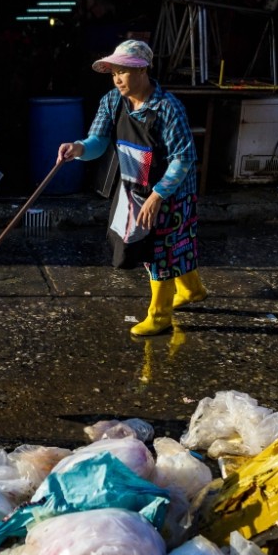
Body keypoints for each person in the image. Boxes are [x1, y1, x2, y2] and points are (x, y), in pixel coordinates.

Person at [57, 39, 207, 336]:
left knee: (160, 250)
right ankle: (193, 291)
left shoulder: (168, 108)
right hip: (134, 184)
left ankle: (160, 315)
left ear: (143, 71)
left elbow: (183, 159)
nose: (117, 79)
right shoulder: (112, 101)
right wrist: (77, 148)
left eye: (123, 71)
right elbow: (97, 142)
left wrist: (157, 196)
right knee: (167, 244)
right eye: (114, 72)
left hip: (172, 191)